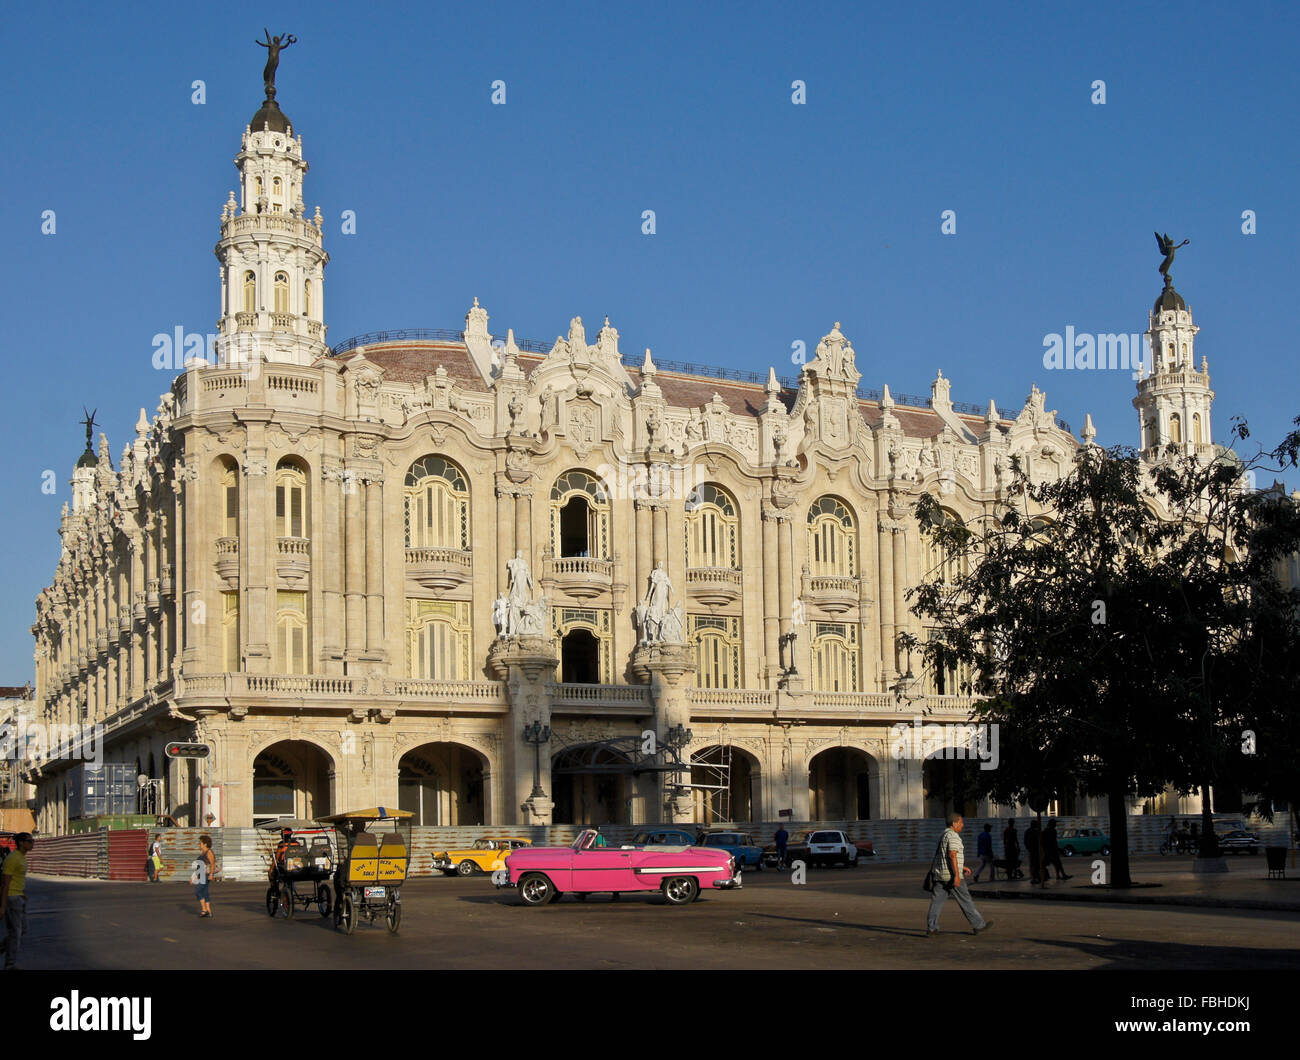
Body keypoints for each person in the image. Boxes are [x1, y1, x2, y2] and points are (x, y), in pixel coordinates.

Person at [925, 814, 992, 936]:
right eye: (961, 823)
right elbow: (952, 855)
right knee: (966, 901)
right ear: (954, 823)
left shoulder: (943, 834)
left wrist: (962, 866)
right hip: (951, 875)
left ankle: (932, 928)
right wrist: (956, 875)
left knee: (936, 902)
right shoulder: (953, 836)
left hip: (940, 874)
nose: (962, 825)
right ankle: (979, 925)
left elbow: (945, 856)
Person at [1, 832, 34, 969]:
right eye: (29, 841)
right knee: (15, 933)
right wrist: (3, 906)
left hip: (19, 897)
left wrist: (23, 893)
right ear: (21, 843)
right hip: (12, 899)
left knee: (22, 930)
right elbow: (5, 883)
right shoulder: (13, 858)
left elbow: (18, 879)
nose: (32, 843)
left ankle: (3, 948)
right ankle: (10, 964)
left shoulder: (22, 858)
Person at [192, 834, 215, 918]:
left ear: (205, 844)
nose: (199, 844)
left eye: (200, 843)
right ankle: (209, 911)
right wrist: (194, 877)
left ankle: (204, 909)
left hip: (205, 875)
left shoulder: (209, 852)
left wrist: (211, 874)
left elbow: (213, 864)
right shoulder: (203, 852)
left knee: (198, 891)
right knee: (205, 892)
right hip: (201, 874)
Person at [1024, 818, 1044, 885]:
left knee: (1033, 864)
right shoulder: (1035, 832)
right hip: (1035, 850)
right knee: (1036, 864)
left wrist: (1028, 848)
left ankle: (1034, 877)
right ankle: (1036, 877)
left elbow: (1025, 841)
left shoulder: (1028, 831)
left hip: (1032, 850)